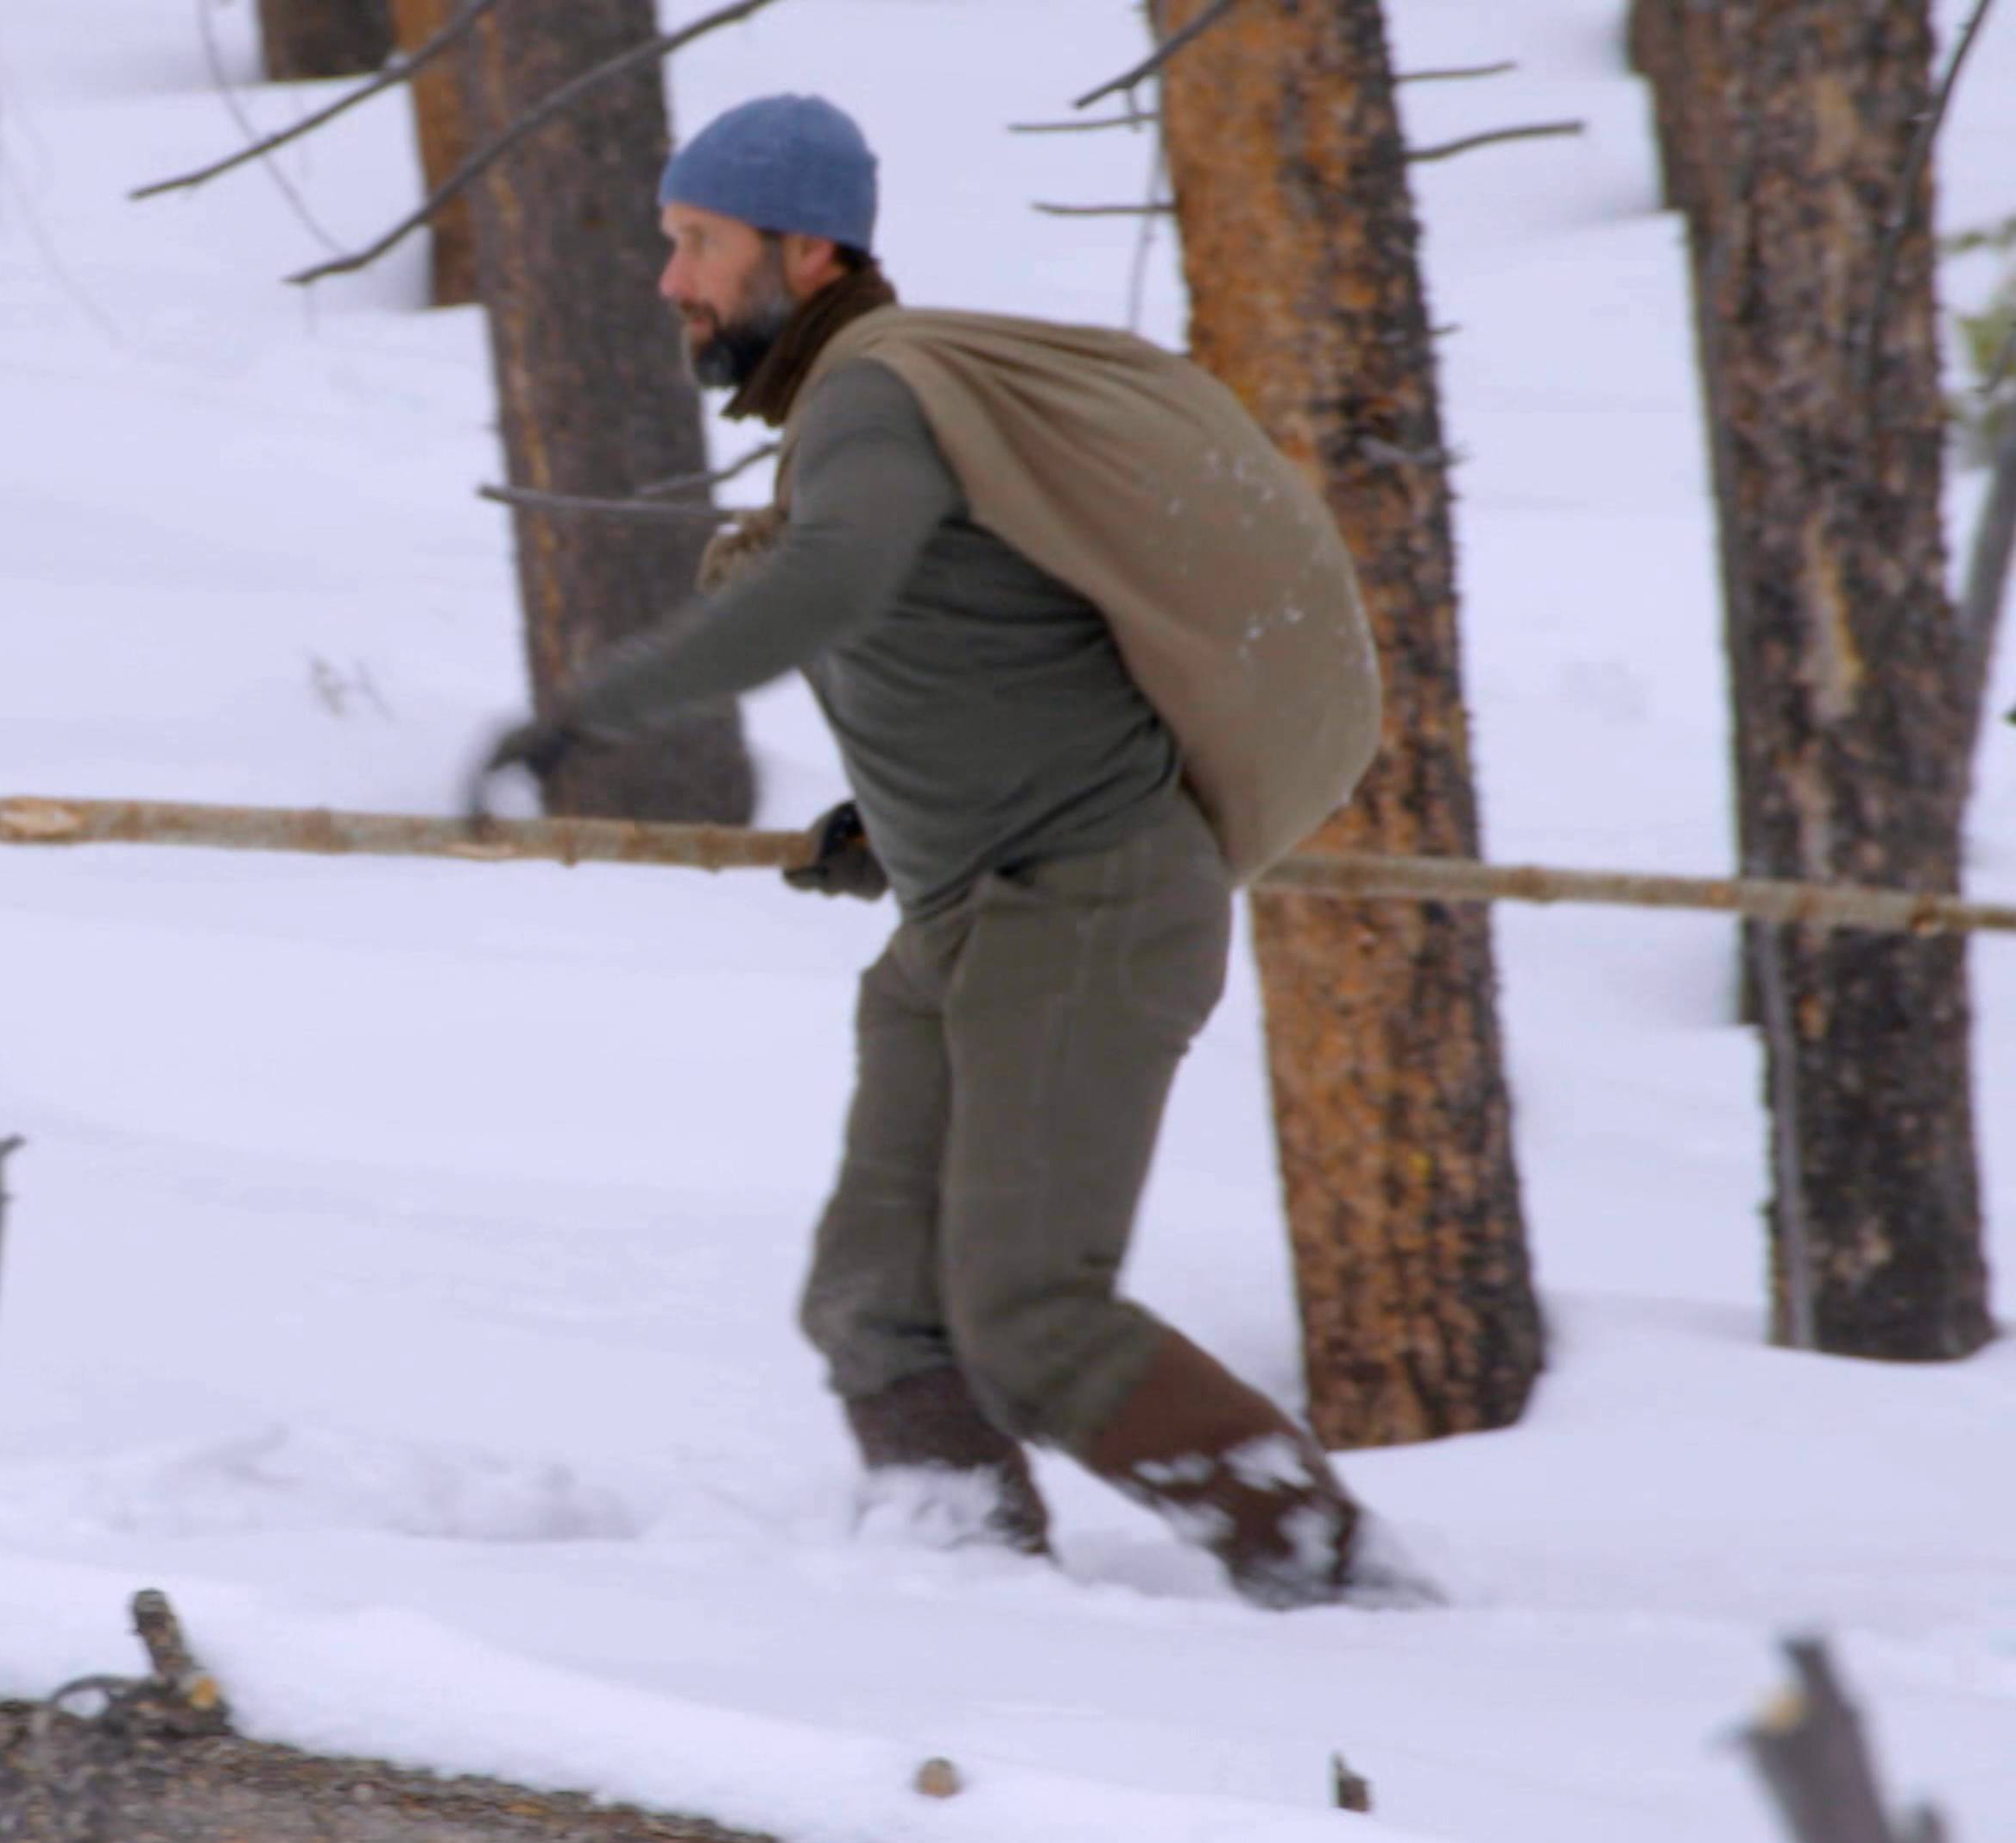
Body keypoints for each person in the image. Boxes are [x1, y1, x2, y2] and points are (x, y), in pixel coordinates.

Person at [476, 94, 1425, 1609]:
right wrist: (894, 823)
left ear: (807, 246)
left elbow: (839, 587)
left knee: (1031, 1319)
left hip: (1086, 909)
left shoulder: (875, 394)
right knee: (876, 1305)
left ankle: (1332, 1573)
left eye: (697, 244)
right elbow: (982, 643)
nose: (672, 283)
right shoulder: (871, 410)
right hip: (966, 916)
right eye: (670, 245)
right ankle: (963, 1587)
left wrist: (605, 703)